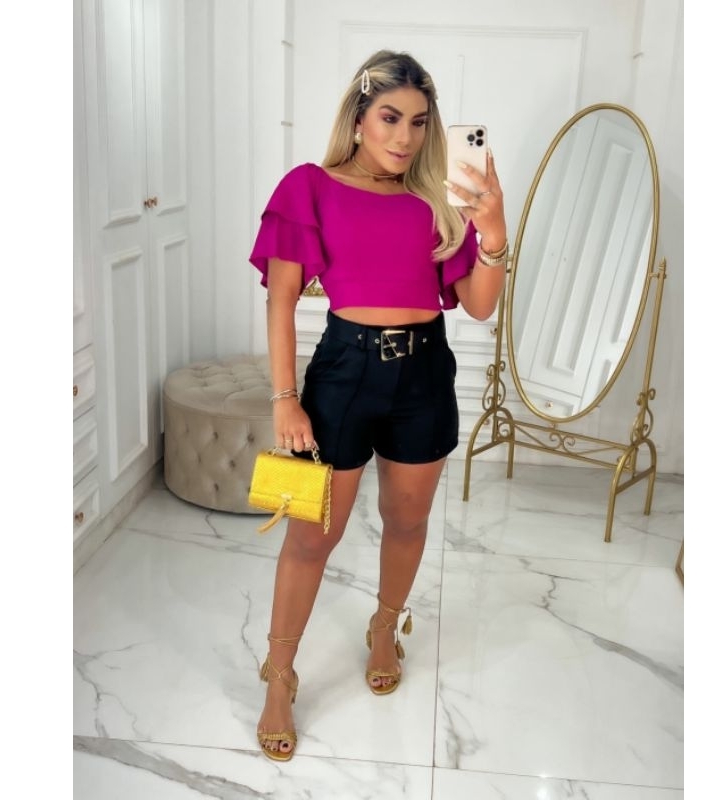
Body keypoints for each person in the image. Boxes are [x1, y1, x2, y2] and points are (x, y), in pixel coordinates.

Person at [248, 49, 508, 762]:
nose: (405, 137)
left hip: (425, 373)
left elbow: (480, 306)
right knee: (312, 535)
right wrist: (285, 399)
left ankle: (385, 625)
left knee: (408, 518)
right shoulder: (310, 187)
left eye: (420, 123)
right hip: (345, 371)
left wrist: (493, 230)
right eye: (390, 117)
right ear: (359, 117)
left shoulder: (436, 202)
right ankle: (280, 672)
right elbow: (280, 300)